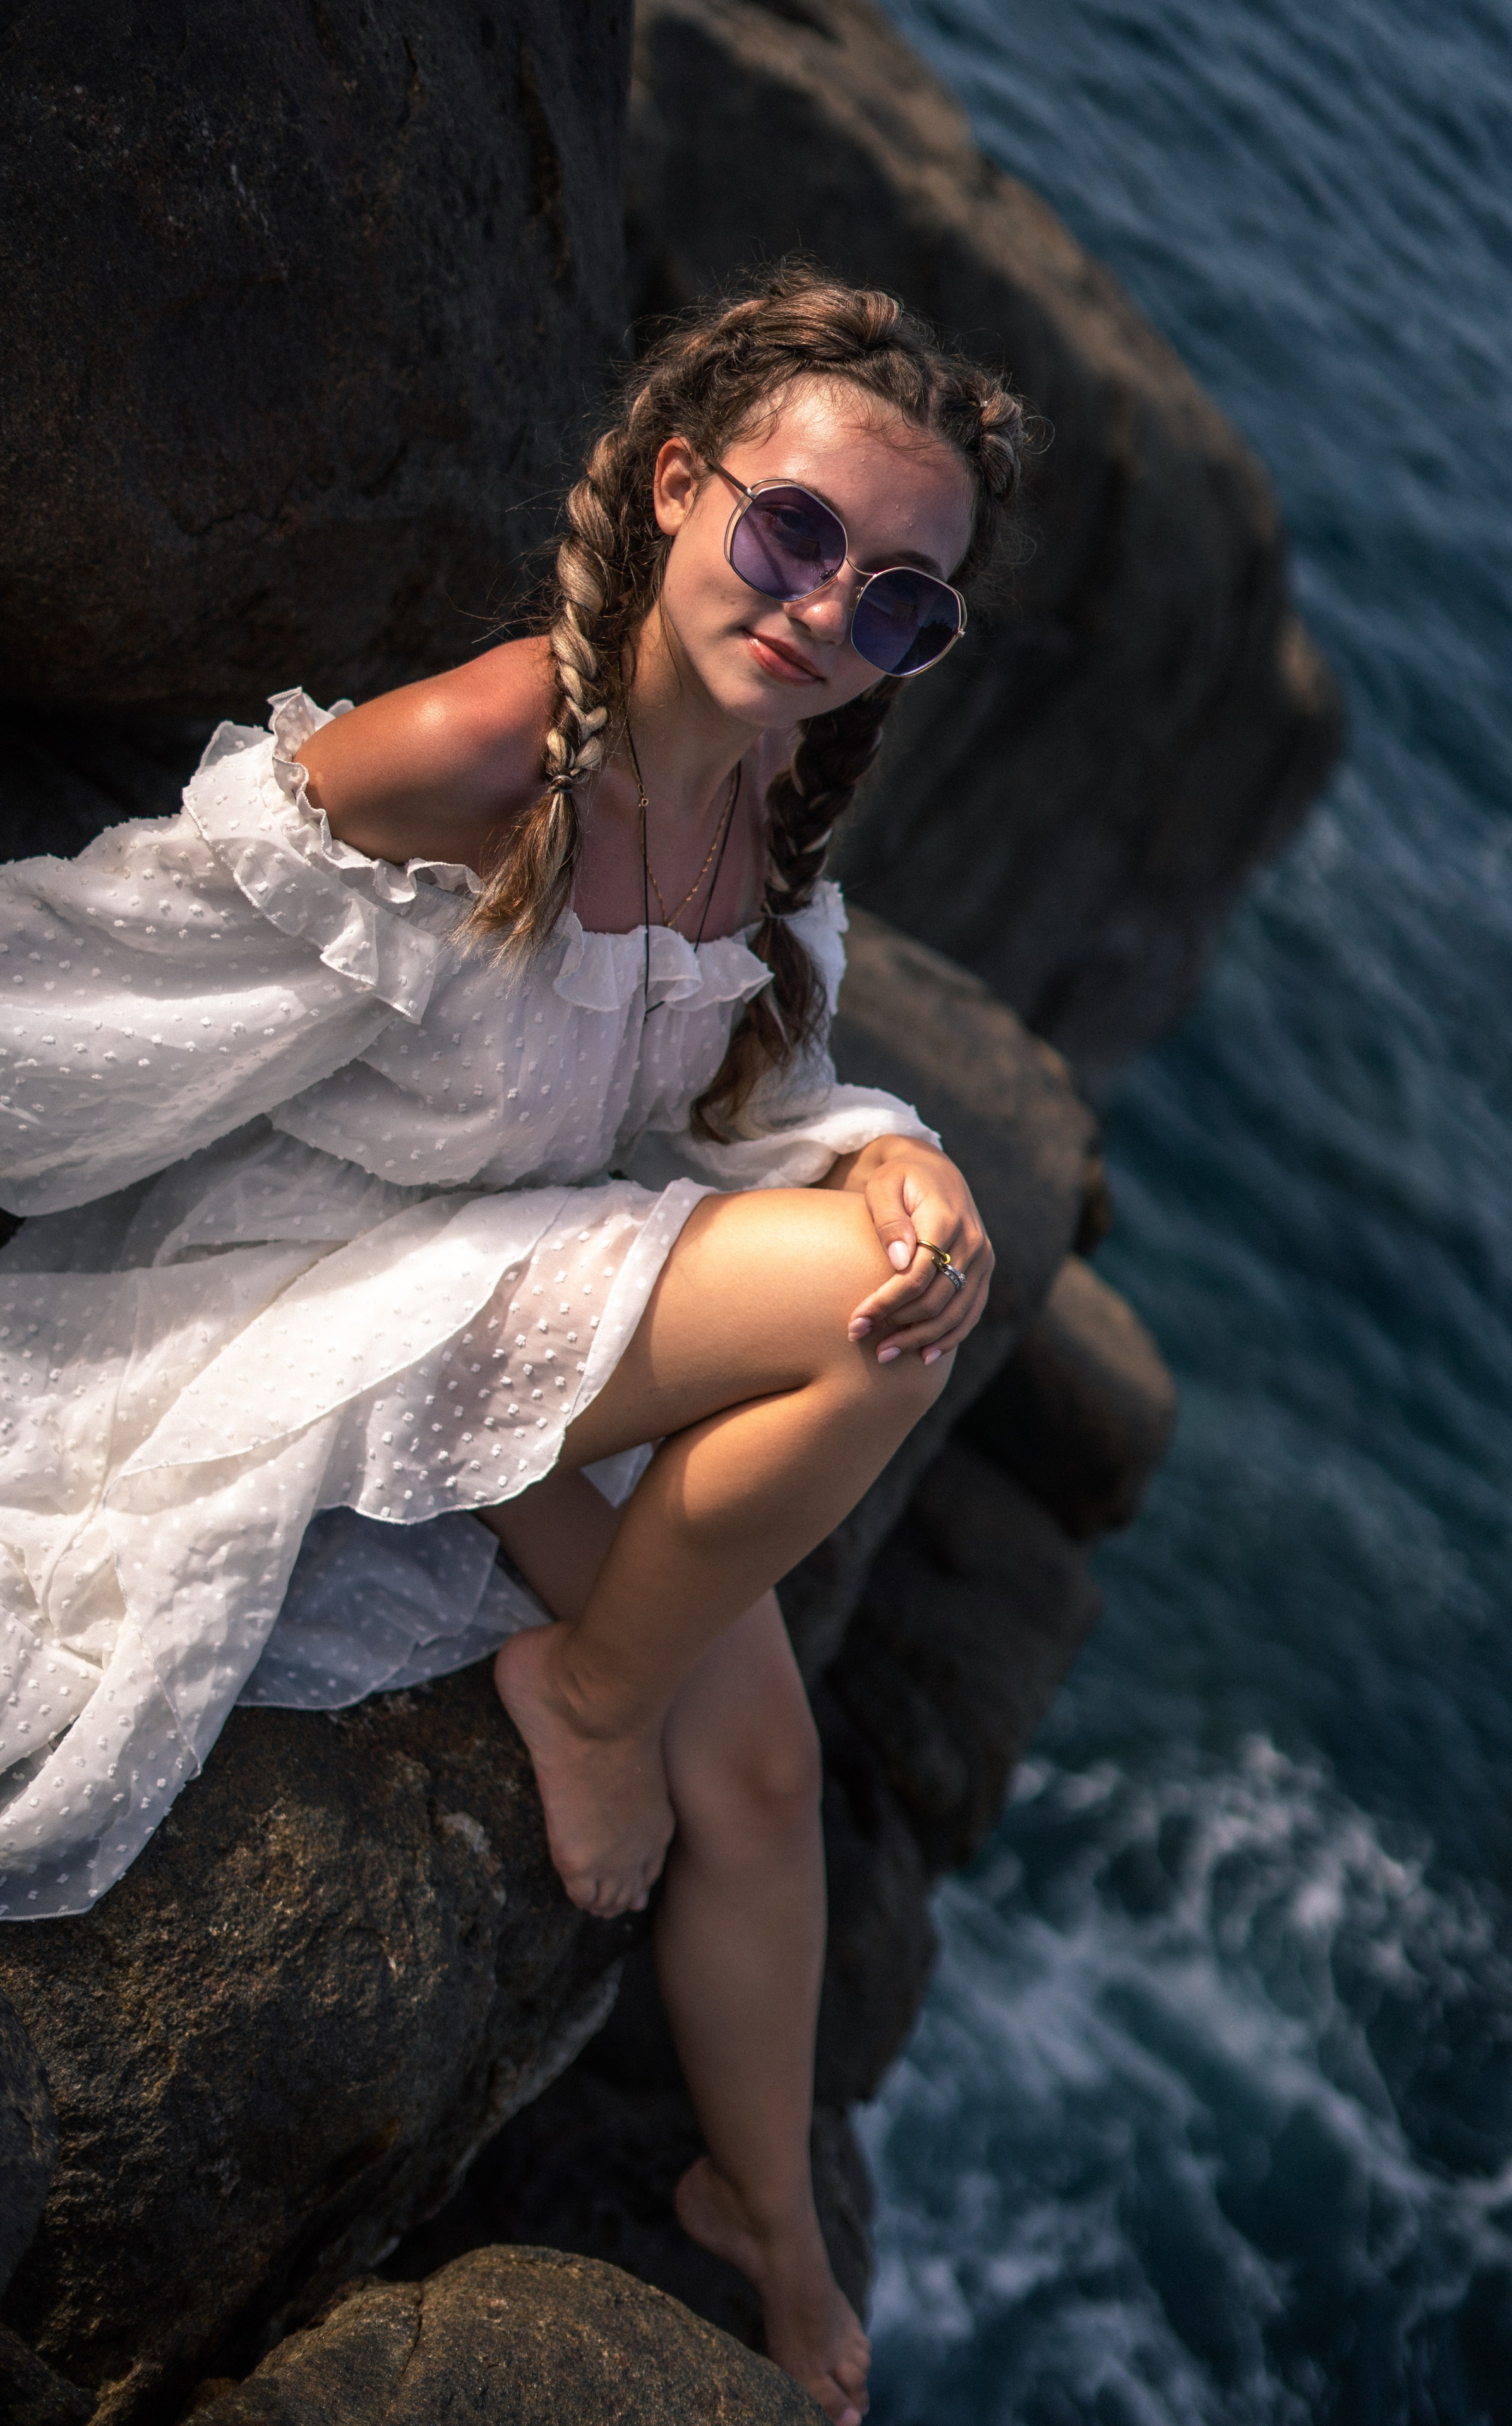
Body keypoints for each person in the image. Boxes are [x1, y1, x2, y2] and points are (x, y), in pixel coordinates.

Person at [0, 268, 1028, 2422]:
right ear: (678, 488)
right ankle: (582, 1688)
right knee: (872, 1325)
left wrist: (901, 1149)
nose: (827, 610)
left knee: (759, 1765)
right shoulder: (485, 752)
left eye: (898, 604)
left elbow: (748, 1105)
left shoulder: (767, 820)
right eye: (793, 534)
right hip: (320, 1282)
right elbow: (115, 975)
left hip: (519, 1294)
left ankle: (767, 2221)